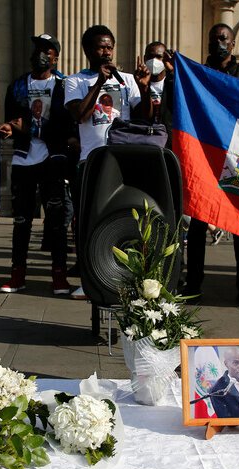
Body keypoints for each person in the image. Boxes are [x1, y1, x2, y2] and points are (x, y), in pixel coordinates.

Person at [64, 24, 151, 298]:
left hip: (122, 161)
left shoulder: (127, 80)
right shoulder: (75, 81)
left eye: (110, 47)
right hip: (90, 161)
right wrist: (99, 83)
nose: (106, 52)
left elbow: (145, 116)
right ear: (88, 50)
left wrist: (145, 88)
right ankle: (88, 279)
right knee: (88, 220)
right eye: (101, 47)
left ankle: (120, 277)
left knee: (122, 219)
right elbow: (80, 115)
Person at [182, 23, 239, 307]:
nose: (219, 42)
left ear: (232, 44)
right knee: (197, 226)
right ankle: (193, 284)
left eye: (224, 38)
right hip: (204, 159)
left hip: (238, 161)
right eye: (214, 38)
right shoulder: (195, 75)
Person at [0, 33, 76, 295]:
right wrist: (9, 127)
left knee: (55, 222)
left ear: (55, 56)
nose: (39, 54)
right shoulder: (18, 85)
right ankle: (17, 275)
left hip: (52, 160)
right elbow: (11, 119)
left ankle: (59, 277)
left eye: (46, 50)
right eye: (36, 50)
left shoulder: (65, 85)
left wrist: (31, 129)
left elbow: (66, 127)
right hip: (23, 159)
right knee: (21, 221)